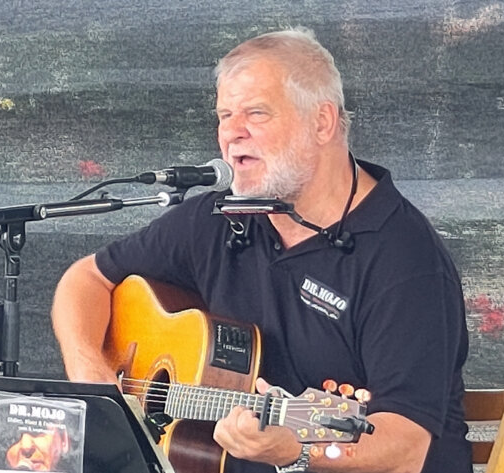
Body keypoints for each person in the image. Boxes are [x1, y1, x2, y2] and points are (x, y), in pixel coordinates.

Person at [52, 28, 471, 473]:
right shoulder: (219, 219)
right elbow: (88, 279)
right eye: (224, 115)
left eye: (256, 113)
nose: (231, 133)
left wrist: (297, 451)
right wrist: (91, 375)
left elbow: (404, 449)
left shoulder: (405, 260)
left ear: (322, 122)